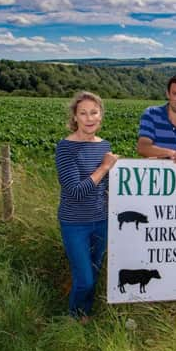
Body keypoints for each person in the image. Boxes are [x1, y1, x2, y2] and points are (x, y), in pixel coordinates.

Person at [55, 91, 118, 324]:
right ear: (75, 117)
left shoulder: (105, 146)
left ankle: (85, 314)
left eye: (94, 112)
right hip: (74, 223)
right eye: (83, 113)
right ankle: (73, 316)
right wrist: (104, 167)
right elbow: (75, 191)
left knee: (94, 270)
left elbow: (108, 186)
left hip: (101, 220)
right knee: (85, 279)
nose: (89, 118)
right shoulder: (65, 148)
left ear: (101, 116)